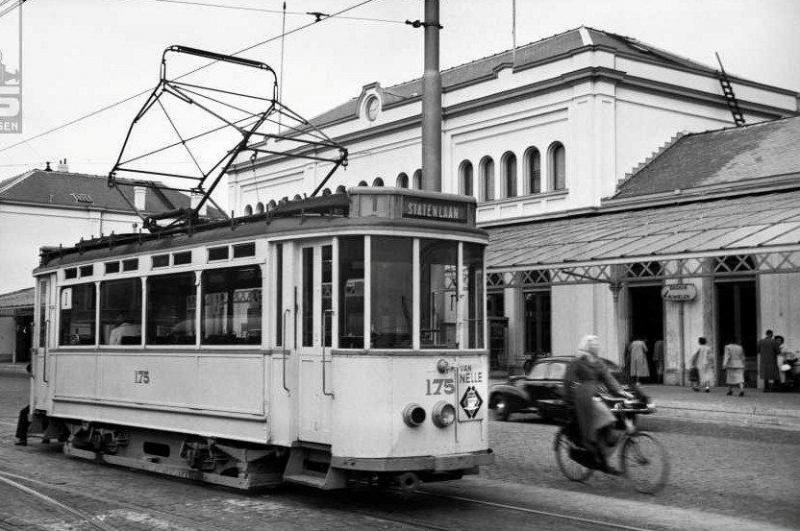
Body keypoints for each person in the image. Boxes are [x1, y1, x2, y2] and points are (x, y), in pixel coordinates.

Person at [563, 335, 630, 473]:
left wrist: (621, 391)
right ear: (587, 345)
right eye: (594, 343)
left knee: (607, 420)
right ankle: (598, 452)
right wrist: (570, 400)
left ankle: (601, 452)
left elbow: (609, 379)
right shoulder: (578, 362)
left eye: (597, 343)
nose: (597, 345)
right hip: (582, 396)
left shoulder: (599, 363)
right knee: (605, 416)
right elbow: (568, 381)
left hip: (594, 395)